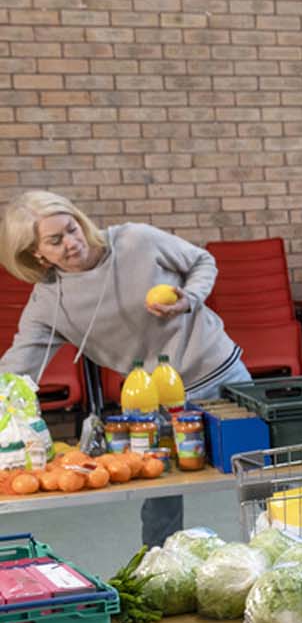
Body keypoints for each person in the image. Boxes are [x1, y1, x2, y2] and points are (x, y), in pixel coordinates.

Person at [1, 190, 250, 544]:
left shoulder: (136, 240)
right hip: (153, 400)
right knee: (159, 496)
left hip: (220, 374)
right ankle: (157, 569)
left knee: (260, 470)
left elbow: (202, 261)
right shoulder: (48, 302)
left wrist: (189, 298)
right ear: (36, 254)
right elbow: (14, 372)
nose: (72, 243)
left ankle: (288, 542)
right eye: (56, 241)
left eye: (72, 229)